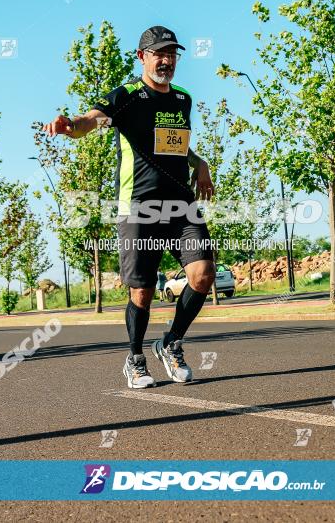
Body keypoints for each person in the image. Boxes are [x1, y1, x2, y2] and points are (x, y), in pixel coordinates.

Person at [42, 25, 216, 389]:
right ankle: (136, 358)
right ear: (142, 57)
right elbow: (92, 121)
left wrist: (199, 163)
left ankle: (171, 343)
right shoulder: (126, 97)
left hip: (180, 204)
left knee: (202, 274)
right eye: (159, 54)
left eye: (172, 54)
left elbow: (175, 147)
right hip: (138, 207)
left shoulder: (182, 99)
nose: (166, 60)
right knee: (142, 291)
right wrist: (69, 125)